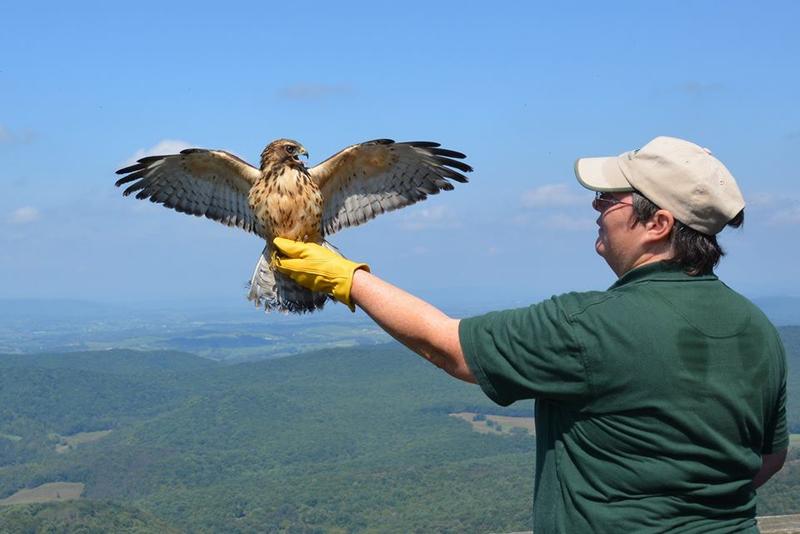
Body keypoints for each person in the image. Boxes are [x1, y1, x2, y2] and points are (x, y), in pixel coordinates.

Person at [272, 136, 788, 533]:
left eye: (610, 198)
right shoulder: (757, 329)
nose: (595, 208)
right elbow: (769, 458)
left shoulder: (592, 324)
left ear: (657, 224)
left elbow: (449, 346)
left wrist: (346, 277)